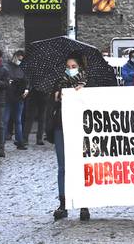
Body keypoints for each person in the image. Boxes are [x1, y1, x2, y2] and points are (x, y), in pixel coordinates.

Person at [48, 51, 90, 222]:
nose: (70, 70)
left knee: (81, 165)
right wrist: (57, 96)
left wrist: (83, 92)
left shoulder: (89, 83)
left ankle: (83, 204)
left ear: (80, 67)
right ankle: (63, 203)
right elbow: (50, 104)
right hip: (61, 127)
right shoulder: (59, 83)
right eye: (68, 67)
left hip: (81, 128)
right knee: (63, 167)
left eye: (73, 67)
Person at [5, 50, 29, 150]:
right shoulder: (7, 67)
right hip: (8, 97)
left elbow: (27, 80)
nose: (19, 61)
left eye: (21, 59)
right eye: (18, 58)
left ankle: (20, 142)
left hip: (19, 97)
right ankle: (1, 143)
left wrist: (27, 89)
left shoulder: (23, 68)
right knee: (5, 120)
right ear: (15, 56)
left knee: (18, 120)